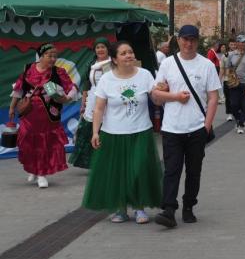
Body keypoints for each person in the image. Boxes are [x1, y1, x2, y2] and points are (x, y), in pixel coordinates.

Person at [82, 41, 163, 224]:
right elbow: (99, 109)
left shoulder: (145, 75)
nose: (129, 56)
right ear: (114, 59)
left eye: (130, 52)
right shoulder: (106, 79)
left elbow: (156, 98)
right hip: (113, 133)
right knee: (118, 172)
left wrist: (164, 92)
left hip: (141, 131)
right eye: (124, 53)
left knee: (139, 169)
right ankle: (120, 208)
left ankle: (139, 207)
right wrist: (95, 132)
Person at [151, 25, 221, 228]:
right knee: (171, 170)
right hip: (172, 127)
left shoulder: (206, 65)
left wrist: (207, 126)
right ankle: (169, 209)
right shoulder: (168, 64)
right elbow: (156, 95)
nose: (188, 44)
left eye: (192, 40)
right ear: (178, 40)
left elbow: (213, 97)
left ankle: (189, 205)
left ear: (197, 42)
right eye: (185, 39)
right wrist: (174, 96)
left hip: (196, 128)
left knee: (193, 171)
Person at [8, 43, 77, 188]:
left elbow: (71, 88)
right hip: (29, 112)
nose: (53, 59)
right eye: (49, 55)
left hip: (49, 114)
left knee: (44, 143)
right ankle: (34, 169)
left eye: (55, 56)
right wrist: (12, 107)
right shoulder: (28, 69)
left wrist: (67, 98)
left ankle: (41, 173)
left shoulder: (59, 72)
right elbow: (18, 89)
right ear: (41, 56)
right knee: (28, 141)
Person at [69, 37, 111, 169]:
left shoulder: (114, 63)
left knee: (107, 129)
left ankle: (107, 161)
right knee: (89, 130)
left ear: (108, 48)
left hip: (110, 99)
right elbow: (87, 84)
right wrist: (83, 103)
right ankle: (92, 162)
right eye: (98, 47)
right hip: (93, 98)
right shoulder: (92, 64)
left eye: (103, 47)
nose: (100, 49)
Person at [221, 40, 237, 122]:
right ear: (229, 45)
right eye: (231, 44)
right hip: (227, 79)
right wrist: (219, 79)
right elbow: (222, 68)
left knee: (236, 97)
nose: (233, 46)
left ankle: (236, 111)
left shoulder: (239, 55)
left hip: (237, 79)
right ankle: (230, 113)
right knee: (228, 98)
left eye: (234, 44)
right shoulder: (224, 56)